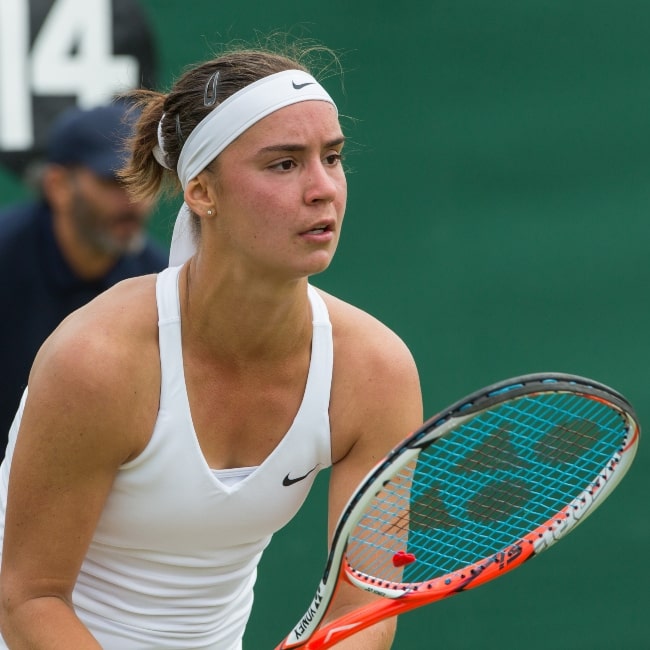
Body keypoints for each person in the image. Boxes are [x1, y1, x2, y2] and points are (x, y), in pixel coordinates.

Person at [0, 42, 423, 650]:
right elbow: (29, 599)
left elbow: (367, 601)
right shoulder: (99, 361)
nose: (323, 188)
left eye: (332, 157)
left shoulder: (374, 370)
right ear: (202, 192)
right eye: (284, 164)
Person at [0, 101, 168, 444]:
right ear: (58, 185)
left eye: (144, 179)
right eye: (115, 180)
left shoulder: (161, 284)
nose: (135, 199)